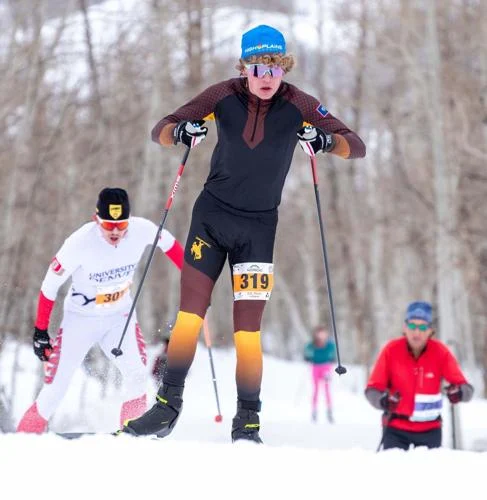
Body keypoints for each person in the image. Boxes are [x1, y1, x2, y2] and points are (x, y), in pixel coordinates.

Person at [122, 24, 365, 443]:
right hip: (211, 220)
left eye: (274, 65)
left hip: (258, 230)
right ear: (244, 67)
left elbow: (355, 144)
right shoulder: (223, 95)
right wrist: (181, 131)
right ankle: (167, 407)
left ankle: (248, 420)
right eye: (257, 66)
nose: (266, 76)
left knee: (247, 332)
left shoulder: (300, 104)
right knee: (189, 317)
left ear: (283, 67)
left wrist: (324, 140)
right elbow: (161, 128)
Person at [17, 188, 183, 433]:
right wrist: (41, 331)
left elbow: (171, 246)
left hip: (119, 317)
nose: (115, 231)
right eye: (108, 225)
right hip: (80, 320)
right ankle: (21, 443)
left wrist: (194, 278)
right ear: (97, 219)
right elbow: (49, 286)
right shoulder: (79, 242)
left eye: (121, 224)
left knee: (137, 376)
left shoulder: (141, 230)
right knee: (54, 391)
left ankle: (130, 438)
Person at [365, 301, 474, 450]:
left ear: (430, 330)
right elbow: (372, 389)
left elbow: (466, 388)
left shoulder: (441, 352)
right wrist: (383, 401)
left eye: (422, 327)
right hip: (396, 429)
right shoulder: (391, 350)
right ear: (405, 327)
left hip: (430, 431)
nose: (417, 332)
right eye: (412, 326)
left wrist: (460, 393)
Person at [304, 326, 337, 423]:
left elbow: (333, 351)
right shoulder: (313, 343)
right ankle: (314, 411)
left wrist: (333, 358)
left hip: (326, 367)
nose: (321, 336)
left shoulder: (329, 344)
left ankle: (329, 411)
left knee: (327, 389)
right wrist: (307, 357)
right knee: (316, 390)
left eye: (323, 333)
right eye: (319, 333)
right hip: (315, 367)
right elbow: (307, 350)